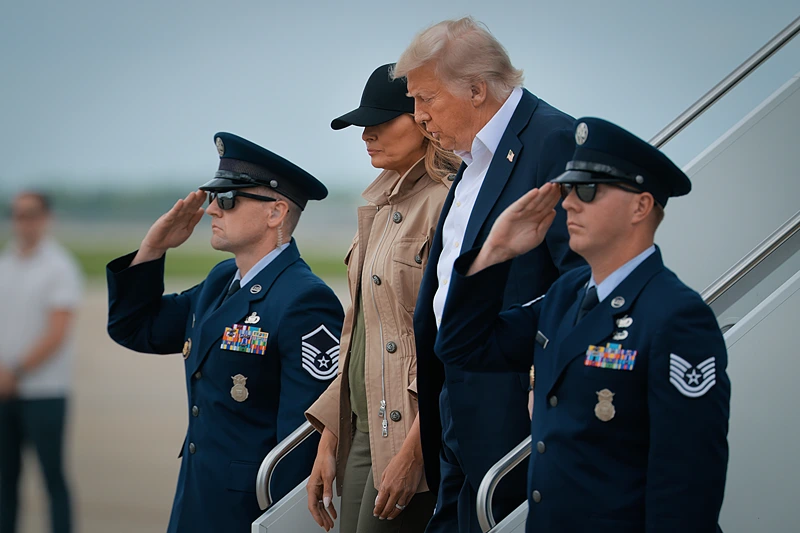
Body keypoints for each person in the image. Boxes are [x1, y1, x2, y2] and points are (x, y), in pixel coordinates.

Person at [435, 117, 731, 532]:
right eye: (569, 189)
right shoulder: (567, 294)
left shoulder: (676, 317)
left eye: (588, 190)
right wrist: (493, 253)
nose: (569, 203)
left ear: (640, 206)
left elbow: (686, 481)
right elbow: (462, 347)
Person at [391, 16, 584, 532]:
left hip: (511, 403)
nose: (418, 117)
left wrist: (543, 375)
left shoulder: (552, 140)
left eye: (426, 99)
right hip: (456, 398)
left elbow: (581, 279)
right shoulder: (474, 157)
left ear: (476, 89)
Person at [106, 133, 345, 533]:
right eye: (214, 197)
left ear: (276, 212)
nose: (212, 210)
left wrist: (281, 522)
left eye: (229, 199)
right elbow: (137, 328)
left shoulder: (304, 300)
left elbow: (303, 438)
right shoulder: (222, 281)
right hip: (198, 497)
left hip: (249, 509)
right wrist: (153, 248)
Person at [305, 63, 460, 533]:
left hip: (411, 427)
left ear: (423, 118)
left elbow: (451, 340)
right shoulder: (379, 203)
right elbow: (361, 335)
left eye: (381, 121)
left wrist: (419, 447)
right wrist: (330, 435)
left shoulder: (449, 201)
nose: (366, 134)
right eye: (363, 124)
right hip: (363, 427)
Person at [0, 191, 83, 533]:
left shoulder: (59, 266)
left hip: (45, 391)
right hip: (4, 391)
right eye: (18, 214)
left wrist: (15, 371)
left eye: (31, 214)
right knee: (5, 480)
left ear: (47, 217)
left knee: (52, 476)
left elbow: (57, 331)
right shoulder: (5, 263)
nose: (24, 221)